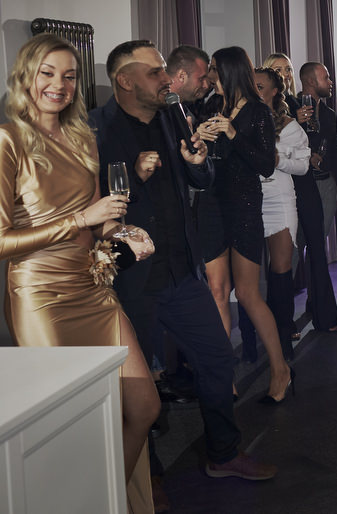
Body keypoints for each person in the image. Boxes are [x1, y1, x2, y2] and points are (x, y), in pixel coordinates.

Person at [93, 40, 276, 487]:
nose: (165, 79)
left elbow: (200, 175)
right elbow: (89, 204)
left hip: (180, 269)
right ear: (125, 80)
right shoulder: (97, 129)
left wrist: (197, 163)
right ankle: (147, 477)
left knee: (216, 357)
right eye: (155, 72)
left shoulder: (172, 116)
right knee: (138, 386)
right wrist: (133, 176)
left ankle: (223, 453)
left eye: (164, 70)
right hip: (133, 277)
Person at [2, 34, 159, 511]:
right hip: (42, 298)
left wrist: (123, 231)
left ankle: (104, 500)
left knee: (143, 407)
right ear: (25, 77)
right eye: (47, 73)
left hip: (93, 287)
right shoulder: (8, 140)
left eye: (69, 76)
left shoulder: (81, 136)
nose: (59, 85)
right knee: (69, 425)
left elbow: (98, 218)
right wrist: (81, 220)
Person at [196, 47, 293, 403]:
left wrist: (234, 134)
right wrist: (199, 140)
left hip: (244, 207)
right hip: (211, 206)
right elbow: (201, 160)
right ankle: (225, 376)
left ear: (232, 71)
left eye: (215, 70)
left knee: (249, 295)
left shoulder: (258, 112)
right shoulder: (210, 107)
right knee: (217, 292)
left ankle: (280, 369)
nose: (210, 77)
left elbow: (266, 165)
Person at [255, 67, 309, 358]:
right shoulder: (241, 122)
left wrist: (278, 159)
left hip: (279, 201)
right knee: (252, 276)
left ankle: (284, 332)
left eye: (260, 86)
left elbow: (302, 166)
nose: (255, 91)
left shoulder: (290, 126)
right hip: (249, 202)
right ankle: (256, 337)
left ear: (275, 91)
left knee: (280, 269)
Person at [294, 62, 337, 330]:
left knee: (317, 248)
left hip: (326, 184)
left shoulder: (327, 113)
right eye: (325, 77)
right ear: (309, 82)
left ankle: (315, 303)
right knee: (296, 248)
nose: (330, 82)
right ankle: (283, 314)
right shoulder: (290, 108)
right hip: (299, 187)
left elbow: (336, 148)